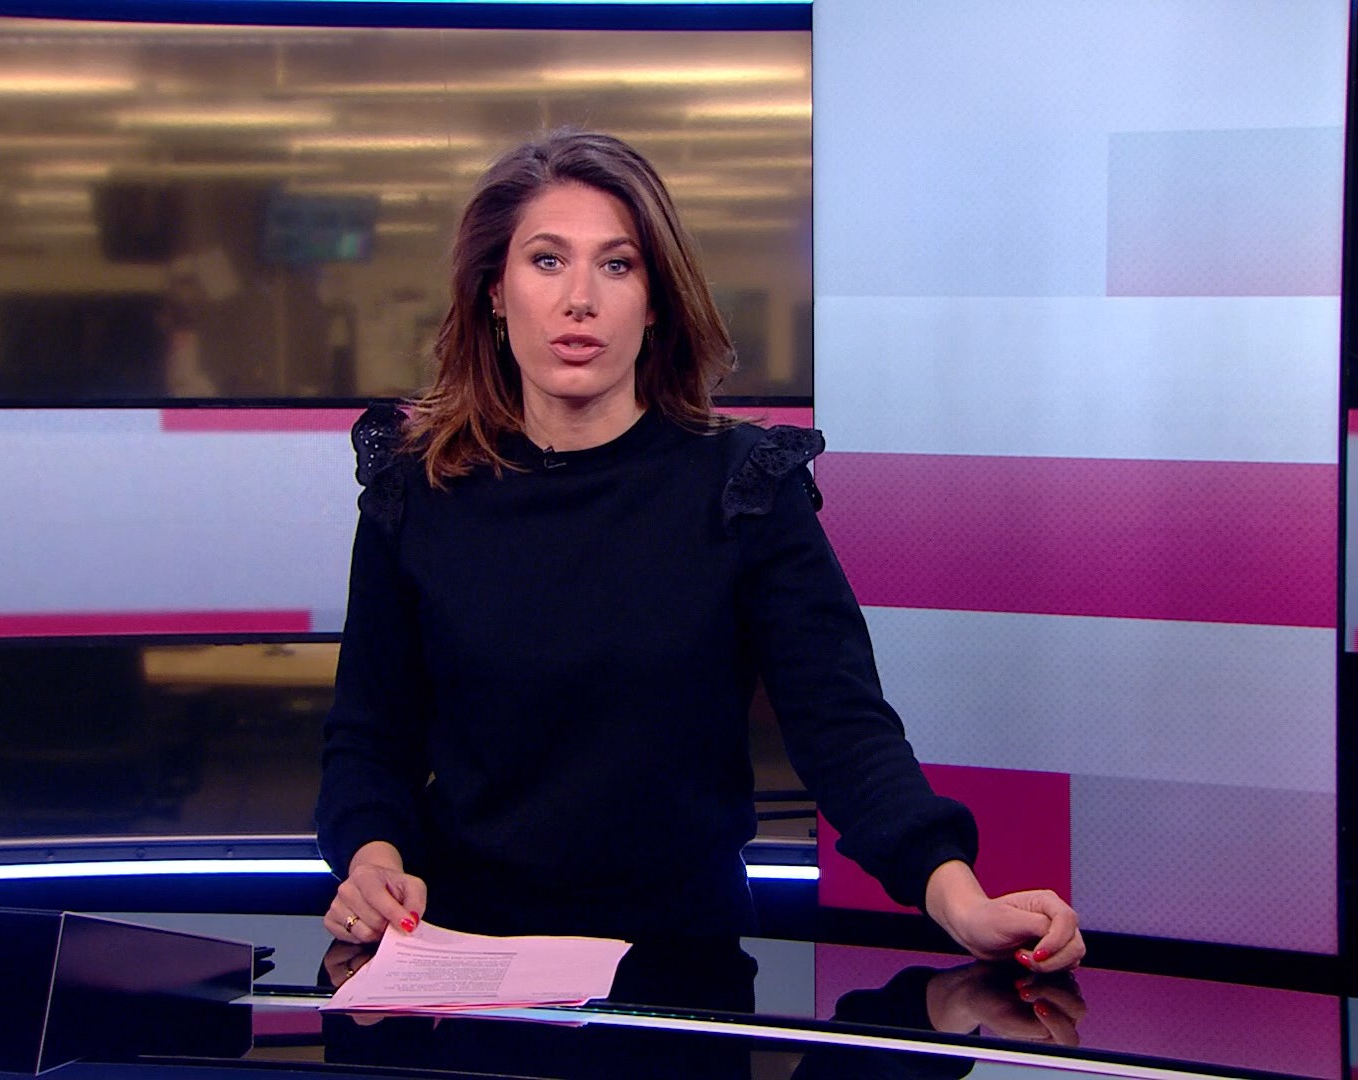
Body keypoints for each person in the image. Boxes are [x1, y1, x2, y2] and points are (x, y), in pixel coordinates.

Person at [315, 128, 1083, 973]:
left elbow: (842, 728)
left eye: (617, 265)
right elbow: (370, 738)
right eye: (547, 261)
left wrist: (958, 898)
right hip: (462, 963)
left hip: (678, 966)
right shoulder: (419, 491)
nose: (580, 299)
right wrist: (373, 863)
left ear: (655, 302)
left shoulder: (743, 488)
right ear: (494, 291)